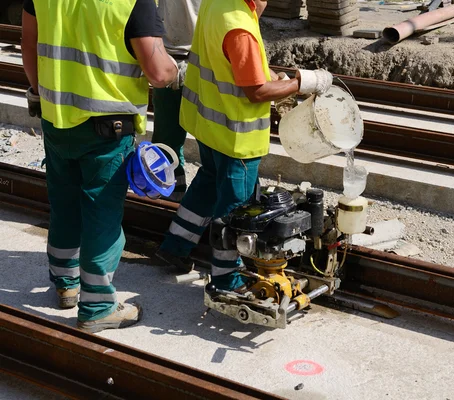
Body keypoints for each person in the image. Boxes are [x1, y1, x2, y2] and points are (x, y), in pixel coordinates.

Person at [21, 0, 184, 333]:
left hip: (57, 120)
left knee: (64, 205)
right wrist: (178, 70)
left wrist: (40, 93)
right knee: (101, 216)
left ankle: (66, 283)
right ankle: (97, 306)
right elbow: (158, 73)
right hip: (107, 130)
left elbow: (29, 45)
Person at [155, 0, 333, 292]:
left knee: (208, 184)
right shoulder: (239, 27)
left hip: (209, 123)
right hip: (236, 136)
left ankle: (175, 245)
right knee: (237, 210)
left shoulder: (217, 5)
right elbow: (257, 91)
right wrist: (305, 82)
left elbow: (230, 65)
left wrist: (264, 73)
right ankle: (227, 278)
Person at [152, 0, 201, 202]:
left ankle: (171, 192)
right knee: (167, 140)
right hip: (186, 56)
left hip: (178, 55)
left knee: (167, 137)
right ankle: (172, 192)